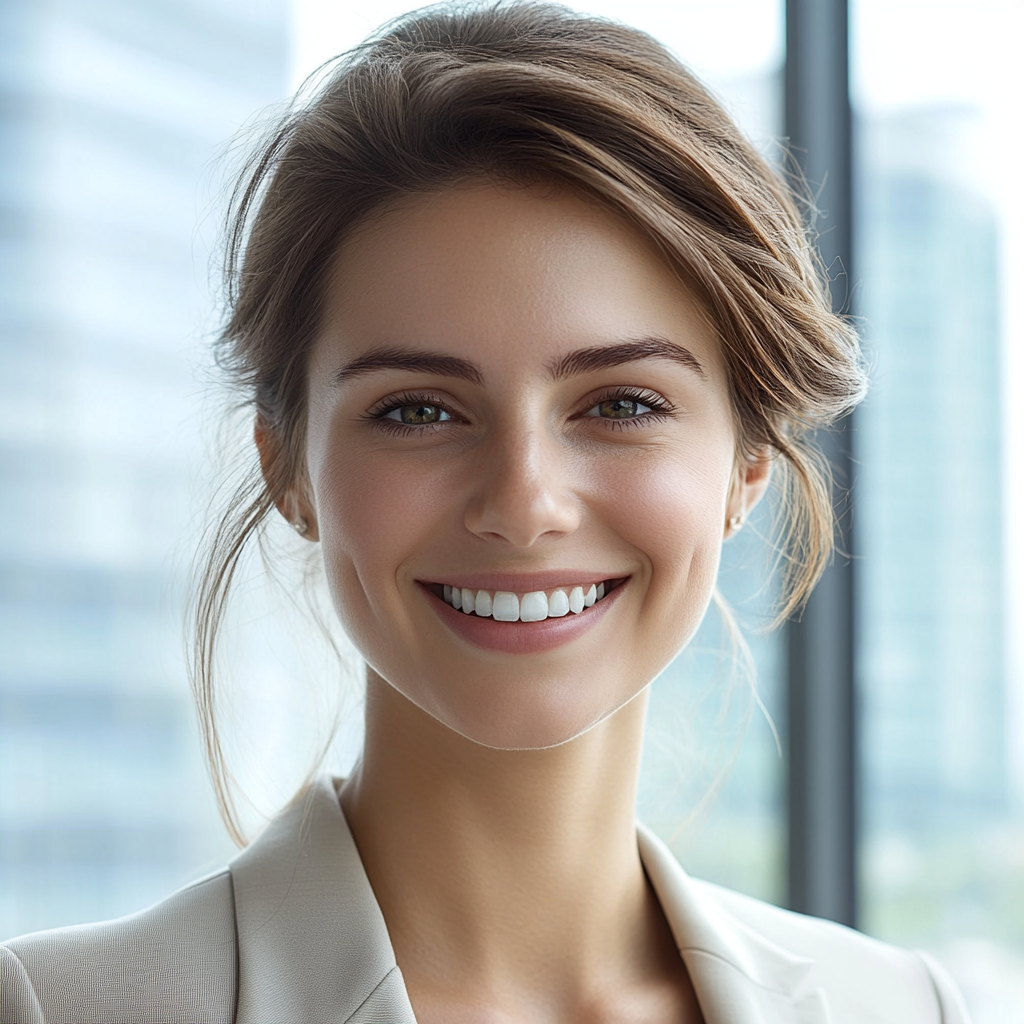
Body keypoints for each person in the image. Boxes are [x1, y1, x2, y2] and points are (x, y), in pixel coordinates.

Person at [0, 4, 971, 1022]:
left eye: (620, 404)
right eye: (417, 410)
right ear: (287, 467)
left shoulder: (903, 1003)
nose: (522, 502)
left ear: (747, 466)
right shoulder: (61, 1006)